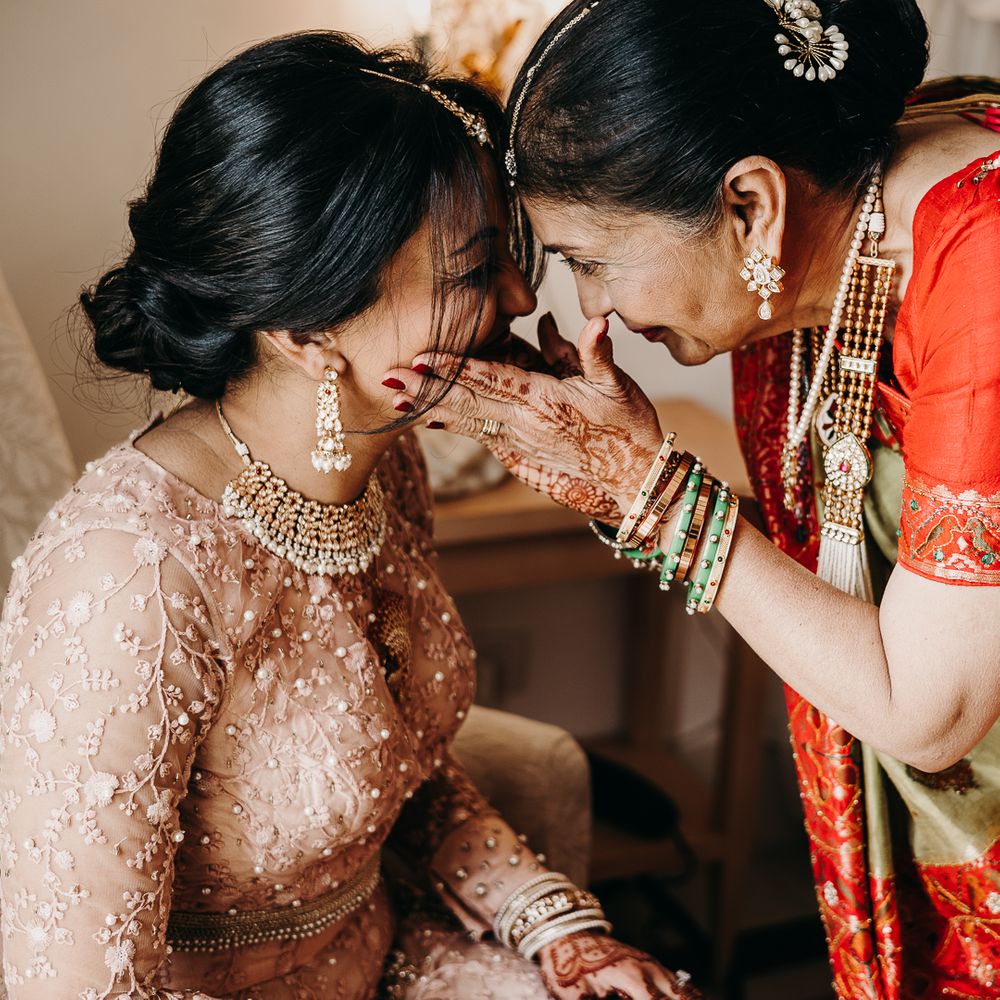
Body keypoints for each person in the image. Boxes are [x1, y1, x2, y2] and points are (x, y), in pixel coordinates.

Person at [0, 31, 699, 1000]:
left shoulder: (387, 462)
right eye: (473, 272)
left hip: (387, 953)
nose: (518, 297)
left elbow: (396, 770)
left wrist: (557, 930)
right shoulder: (134, 579)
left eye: (509, 256)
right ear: (306, 328)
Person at [379, 1, 1000, 996]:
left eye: (591, 262)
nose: (592, 311)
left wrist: (649, 490)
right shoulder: (846, 195)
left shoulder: (986, 273)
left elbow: (930, 713)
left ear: (750, 206)